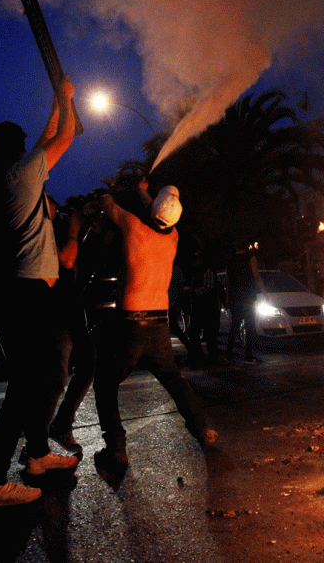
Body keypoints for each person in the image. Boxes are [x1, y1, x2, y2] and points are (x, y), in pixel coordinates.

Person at [0, 76, 79, 509]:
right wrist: (68, 102)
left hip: (18, 289)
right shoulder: (24, 173)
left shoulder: (12, 173)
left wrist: (56, 102)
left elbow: (45, 140)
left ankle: (36, 455)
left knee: (34, 378)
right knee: (24, 385)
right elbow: (65, 137)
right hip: (27, 291)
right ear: (20, 149)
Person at [91, 180, 218, 471]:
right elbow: (158, 213)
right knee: (174, 379)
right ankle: (201, 430)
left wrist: (108, 191)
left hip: (130, 324)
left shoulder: (133, 226)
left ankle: (116, 448)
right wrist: (141, 189)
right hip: (159, 323)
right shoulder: (172, 237)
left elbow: (106, 204)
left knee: (106, 384)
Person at [46, 197, 95, 455]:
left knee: (89, 364)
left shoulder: (59, 231)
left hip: (73, 312)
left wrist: (82, 229)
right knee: (55, 379)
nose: (58, 210)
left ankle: (61, 423)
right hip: (56, 314)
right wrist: (75, 230)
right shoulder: (43, 233)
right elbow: (65, 260)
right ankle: (38, 442)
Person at [225, 238, 266, 363]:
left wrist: (228, 297)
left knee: (235, 326)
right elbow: (256, 275)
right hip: (247, 296)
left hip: (235, 297)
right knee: (250, 327)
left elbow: (227, 280)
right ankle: (248, 355)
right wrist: (264, 292)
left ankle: (229, 354)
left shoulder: (230, 261)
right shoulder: (251, 259)